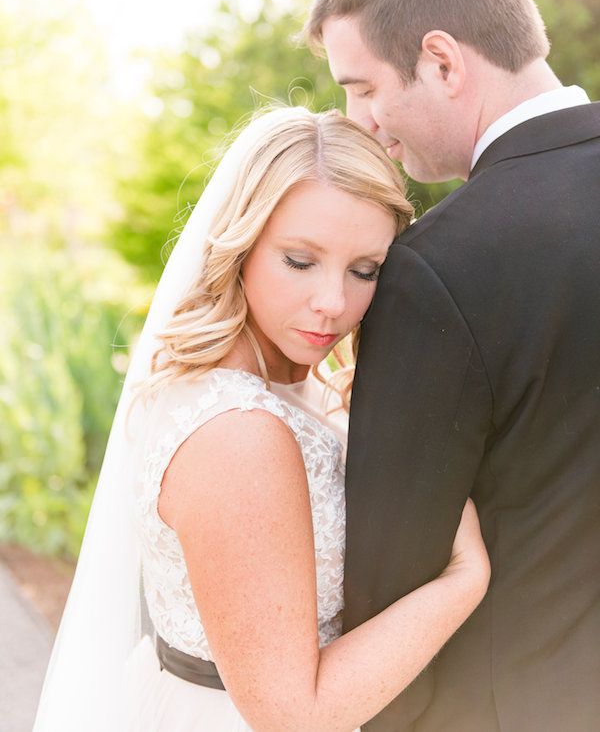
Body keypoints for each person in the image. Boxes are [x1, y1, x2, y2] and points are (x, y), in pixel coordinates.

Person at [33, 106, 490, 732]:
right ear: (241, 244)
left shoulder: (287, 387)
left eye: (365, 271)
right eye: (300, 261)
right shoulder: (239, 431)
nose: (332, 303)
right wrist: (464, 578)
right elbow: (292, 713)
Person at [305, 0, 600, 731]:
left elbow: (394, 586)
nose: (358, 121)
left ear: (440, 60)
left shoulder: (439, 269)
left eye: (362, 87)